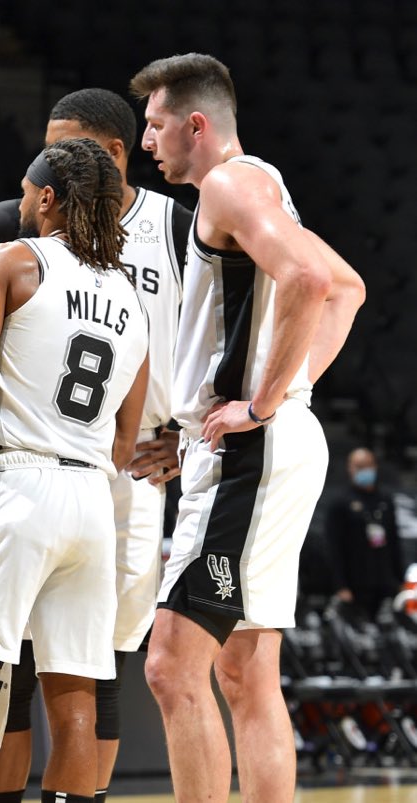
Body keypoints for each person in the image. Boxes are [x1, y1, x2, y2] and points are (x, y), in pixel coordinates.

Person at [0, 87, 191, 803]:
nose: (23, 204)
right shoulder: (128, 296)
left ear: (53, 201)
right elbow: (127, 437)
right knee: (78, 704)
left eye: (30, 194)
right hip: (96, 499)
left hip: (14, 485)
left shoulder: (11, 261)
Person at [130, 53, 366, 802]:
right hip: (259, 443)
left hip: (252, 451)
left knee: (171, 663)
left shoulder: (231, 184)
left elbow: (313, 283)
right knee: (243, 670)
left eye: (156, 124)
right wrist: (265, 398)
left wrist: (260, 405)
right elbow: (348, 290)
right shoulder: (256, 186)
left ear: (196, 124)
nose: (146, 141)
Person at [325, 447, 404, 621]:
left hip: (384, 580)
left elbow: (394, 541)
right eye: (359, 466)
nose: (364, 470)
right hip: (355, 583)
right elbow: (334, 547)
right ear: (350, 468)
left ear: (375, 466)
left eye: (368, 465)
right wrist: (341, 585)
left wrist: (399, 579)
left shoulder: (385, 499)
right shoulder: (340, 503)